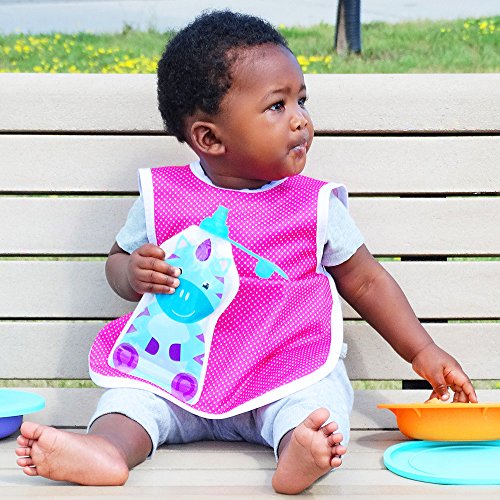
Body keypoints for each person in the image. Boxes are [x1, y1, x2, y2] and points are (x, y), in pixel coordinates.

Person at [15, 10, 477, 494]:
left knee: (316, 405)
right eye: (277, 106)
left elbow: (366, 280)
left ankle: (299, 452)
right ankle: (107, 449)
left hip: (283, 370)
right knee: (130, 400)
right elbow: (116, 262)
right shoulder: (165, 197)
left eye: (301, 100)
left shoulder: (315, 204)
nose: (300, 119)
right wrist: (132, 272)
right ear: (210, 138)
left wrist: (421, 351)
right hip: (177, 373)